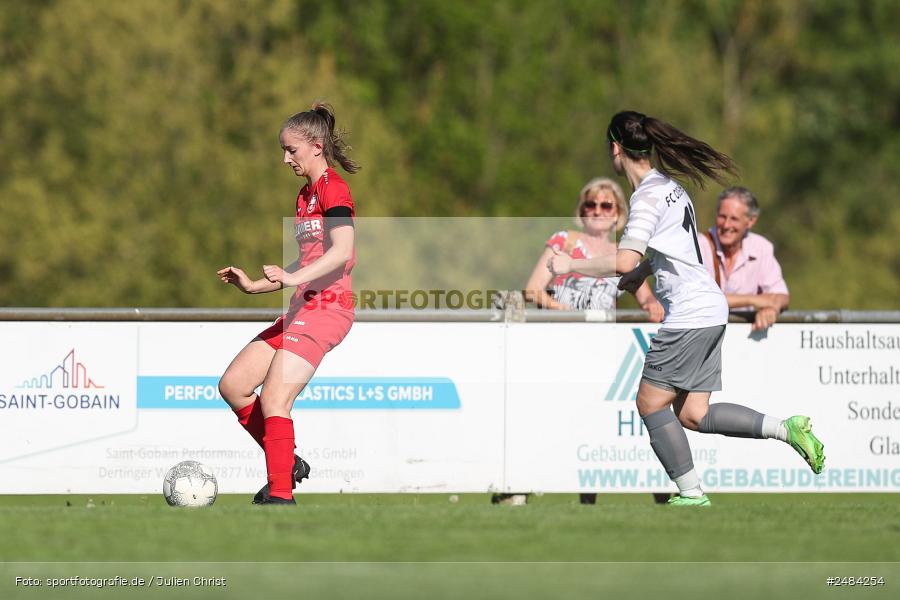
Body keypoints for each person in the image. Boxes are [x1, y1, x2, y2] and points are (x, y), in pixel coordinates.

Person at [549, 110, 824, 506]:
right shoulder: (669, 185)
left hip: (690, 315)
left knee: (648, 402)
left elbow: (623, 258)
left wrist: (570, 264)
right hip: (711, 308)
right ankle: (787, 428)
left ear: (614, 148)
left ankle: (691, 493)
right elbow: (674, 248)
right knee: (694, 414)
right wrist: (644, 271)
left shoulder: (645, 197)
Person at [216, 103, 359, 505]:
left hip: (328, 308)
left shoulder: (335, 188)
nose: (285, 158)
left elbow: (343, 250)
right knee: (234, 386)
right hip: (300, 308)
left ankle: (281, 497)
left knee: (276, 398)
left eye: (291, 150)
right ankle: (287, 462)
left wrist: (294, 278)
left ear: (315, 147)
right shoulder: (304, 196)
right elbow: (308, 260)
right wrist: (255, 286)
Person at [524, 177, 664, 322]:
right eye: (590, 205)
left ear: (617, 214)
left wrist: (653, 305)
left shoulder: (624, 256)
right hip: (561, 333)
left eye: (606, 206)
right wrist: (563, 310)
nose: (597, 211)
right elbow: (532, 290)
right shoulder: (564, 241)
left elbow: (646, 299)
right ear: (582, 211)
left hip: (603, 337)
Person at [699, 187, 789, 331]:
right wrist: (754, 300)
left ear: (751, 221)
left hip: (745, 345)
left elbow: (782, 296)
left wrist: (772, 309)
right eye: (722, 216)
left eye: (734, 218)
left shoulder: (762, 247)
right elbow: (699, 299)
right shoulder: (699, 245)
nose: (726, 225)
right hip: (702, 338)